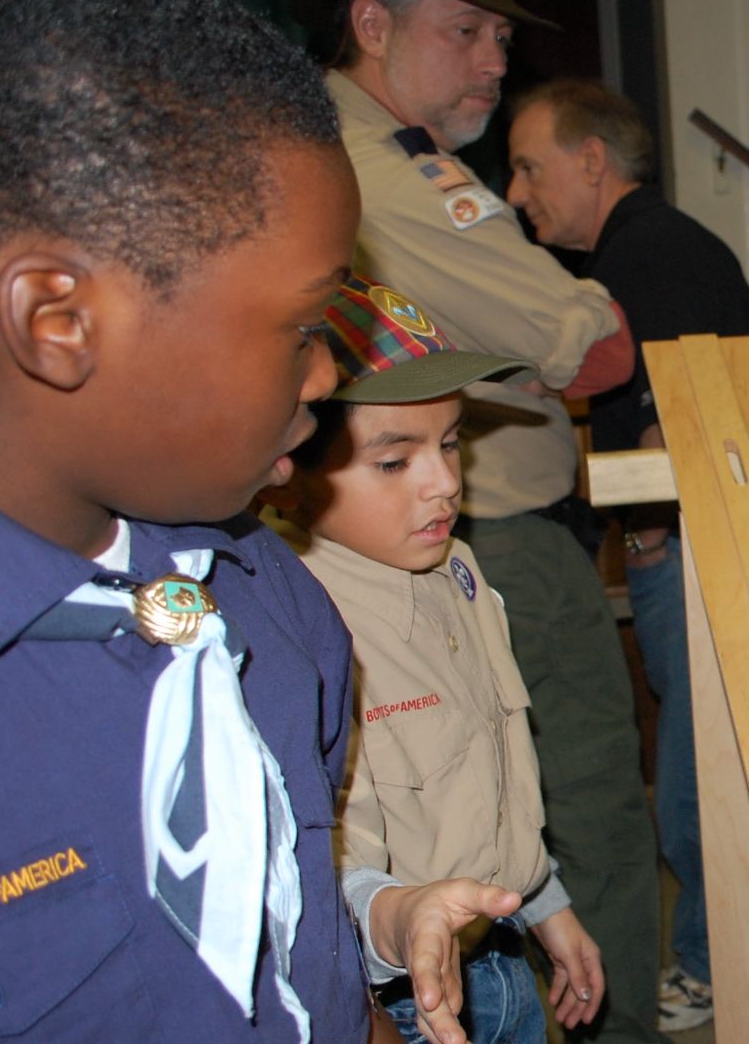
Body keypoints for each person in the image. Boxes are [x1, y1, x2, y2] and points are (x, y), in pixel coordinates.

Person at [0, 0, 519, 1038]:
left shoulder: (271, 604)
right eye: (302, 331)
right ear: (58, 320)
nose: (323, 381)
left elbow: (302, 966)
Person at [290, 0, 663, 1038]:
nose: (497, 61)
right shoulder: (377, 171)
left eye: (503, 36)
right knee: (595, 795)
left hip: (474, 549)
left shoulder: (399, 161)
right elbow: (588, 342)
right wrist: (563, 321)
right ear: (371, 24)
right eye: (467, 32)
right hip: (500, 539)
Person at [265, 276, 608, 1043]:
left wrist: (545, 902)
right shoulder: (298, 621)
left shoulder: (458, 570)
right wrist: (400, 917)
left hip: (498, 953)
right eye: (395, 462)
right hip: (401, 996)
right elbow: (327, 860)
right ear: (289, 469)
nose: (446, 483)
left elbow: (491, 766)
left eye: (450, 443)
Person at [506, 78, 749, 1032]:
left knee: (699, 783)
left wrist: (652, 529)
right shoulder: (655, 249)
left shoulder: (650, 257)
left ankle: (708, 961)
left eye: (531, 166)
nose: (520, 191)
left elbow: (689, 413)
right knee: (697, 772)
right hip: (680, 548)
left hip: (693, 553)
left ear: (591, 160)